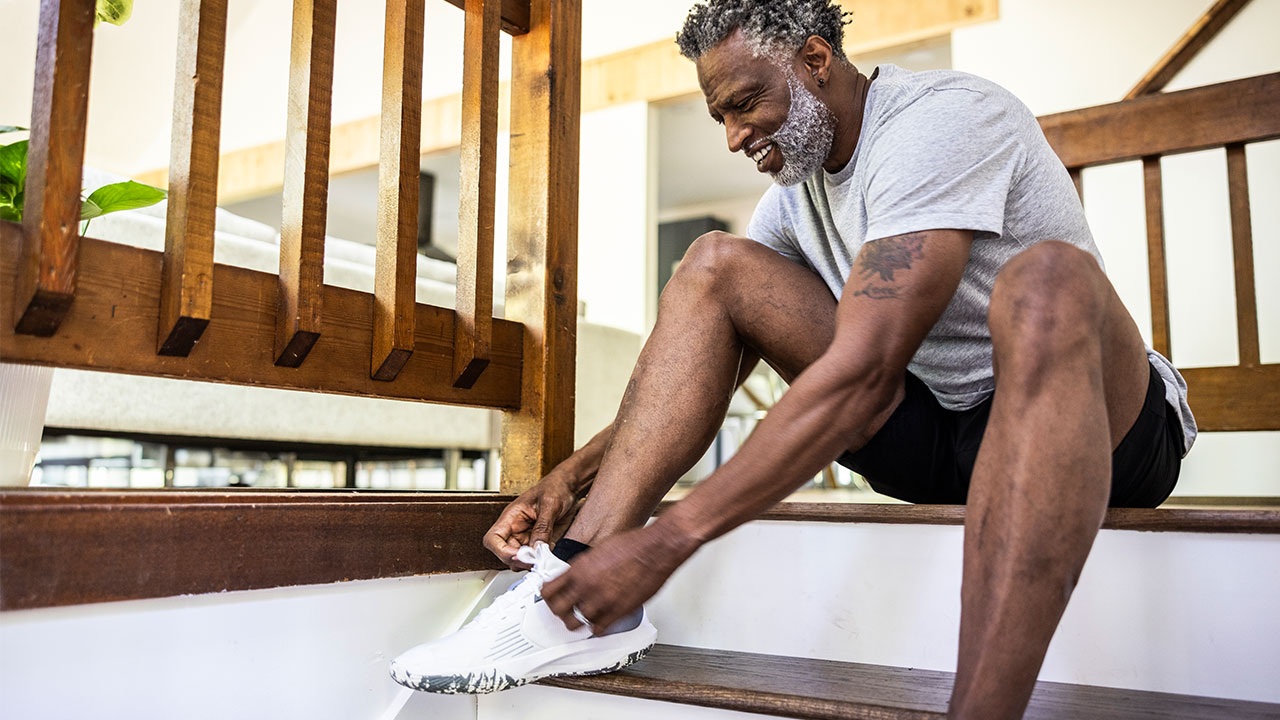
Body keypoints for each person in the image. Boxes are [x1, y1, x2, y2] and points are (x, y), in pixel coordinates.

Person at [391, 1, 1194, 716]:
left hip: (1102, 435)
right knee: (714, 263)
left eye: (747, 104)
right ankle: (563, 600)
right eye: (722, 118)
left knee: (1048, 281)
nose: (737, 136)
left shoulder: (942, 121)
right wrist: (571, 477)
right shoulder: (793, 199)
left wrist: (674, 541)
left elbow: (865, 370)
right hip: (937, 442)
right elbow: (721, 341)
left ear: (816, 60)